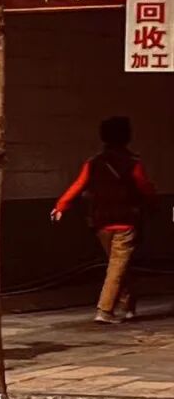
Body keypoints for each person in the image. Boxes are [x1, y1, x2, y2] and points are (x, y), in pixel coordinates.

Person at [51, 116, 157, 324]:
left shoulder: (93, 163)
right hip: (126, 220)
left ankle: (128, 305)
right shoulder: (133, 163)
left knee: (116, 265)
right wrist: (154, 206)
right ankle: (105, 310)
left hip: (101, 222)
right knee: (118, 266)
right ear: (128, 137)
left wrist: (60, 206)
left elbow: (78, 185)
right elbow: (145, 188)